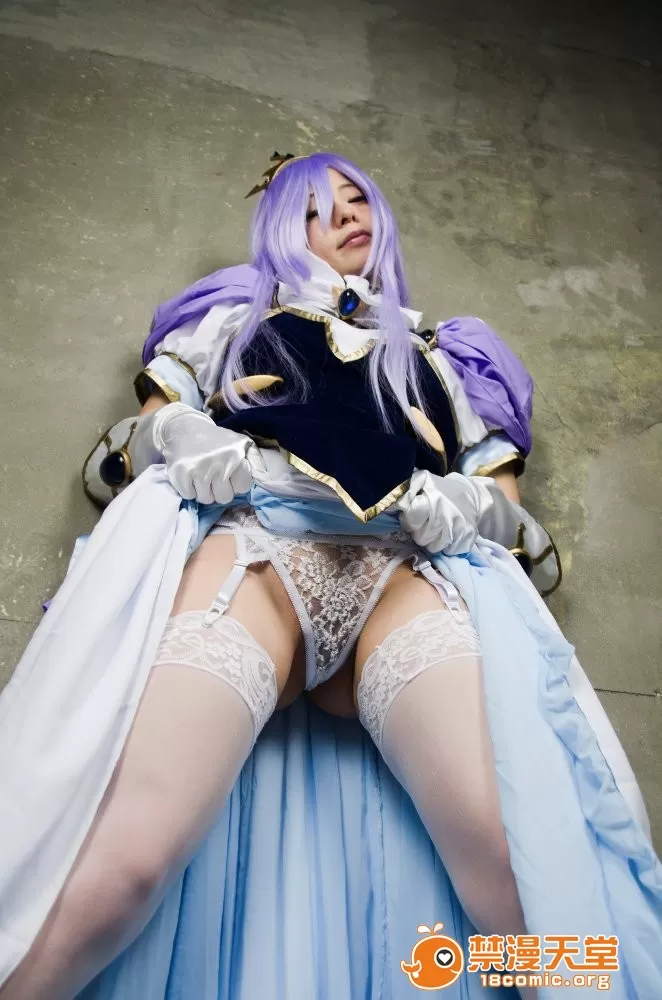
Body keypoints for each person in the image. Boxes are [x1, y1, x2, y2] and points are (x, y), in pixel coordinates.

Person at [0, 152, 660, 1000]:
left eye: (358, 199)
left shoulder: (449, 357)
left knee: (520, 875)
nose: (347, 215)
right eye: (316, 208)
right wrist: (179, 436)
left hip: (401, 578)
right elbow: (138, 439)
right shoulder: (233, 317)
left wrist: (464, 502)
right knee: (124, 862)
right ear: (284, 229)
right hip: (258, 555)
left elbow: (509, 519)